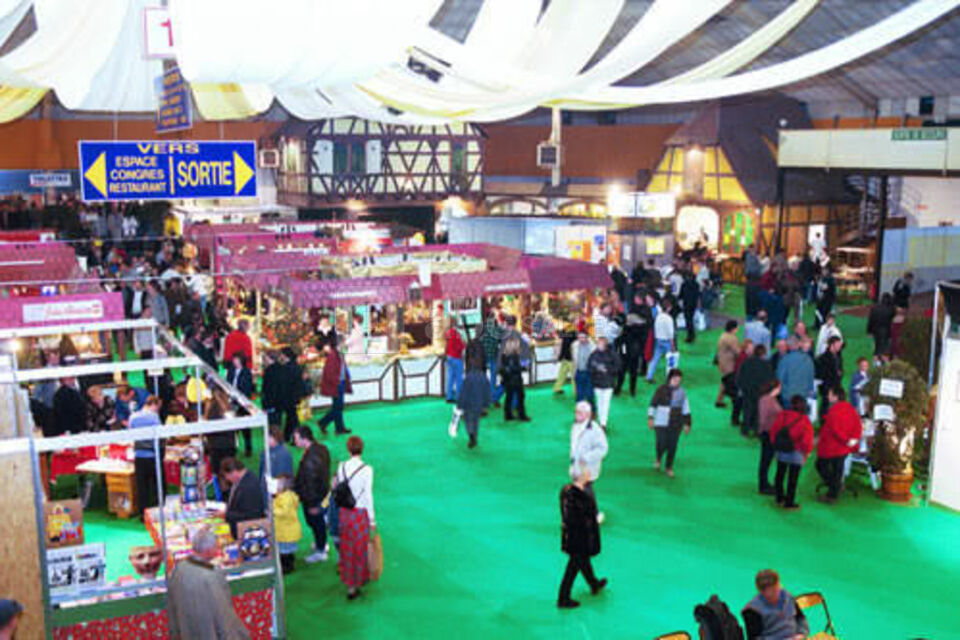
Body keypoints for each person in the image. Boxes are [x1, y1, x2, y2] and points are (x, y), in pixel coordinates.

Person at [166, 527, 250, 640]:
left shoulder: (179, 568)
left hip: (187, 629)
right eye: (216, 547)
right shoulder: (211, 575)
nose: (218, 550)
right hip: (208, 630)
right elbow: (223, 613)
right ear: (208, 551)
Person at [557, 467, 608, 609]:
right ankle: (563, 598)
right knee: (573, 567)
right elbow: (579, 520)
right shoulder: (578, 498)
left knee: (583, 562)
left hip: (574, 537)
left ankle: (594, 584)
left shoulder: (567, 493)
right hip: (579, 538)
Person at [335, 436, 375, 600]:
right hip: (360, 513)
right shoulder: (367, 469)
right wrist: (372, 519)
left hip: (345, 512)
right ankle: (359, 580)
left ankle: (349, 584)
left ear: (348, 449)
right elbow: (368, 495)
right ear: (362, 449)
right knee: (360, 548)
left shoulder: (341, 466)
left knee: (347, 548)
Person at [816, 387, 863, 504]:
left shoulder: (833, 411)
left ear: (836, 397)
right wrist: (852, 440)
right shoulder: (851, 409)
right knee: (838, 469)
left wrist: (846, 440)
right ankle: (835, 488)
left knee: (821, 465)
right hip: (845, 448)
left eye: (830, 394)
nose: (828, 396)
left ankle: (833, 492)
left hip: (832, 447)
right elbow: (858, 425)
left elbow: (835, 430)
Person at [293, 425, 332, 564]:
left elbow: (310, 484)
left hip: (314, 498)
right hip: (324, 494)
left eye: (296, 438)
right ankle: (321, 544)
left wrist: (311, 504)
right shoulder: (322, 448)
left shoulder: (309, 459)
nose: (294, 441)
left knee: (316, 523)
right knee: (319, 522)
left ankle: (321, 550)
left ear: (304, 439)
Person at [768, 395, 814, 510]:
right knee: (792, 479)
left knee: (779, 474)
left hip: (782, 451)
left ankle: (779, 497)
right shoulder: (805, 420)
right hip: (796, 453)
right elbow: (807, 441)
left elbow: (774, 431)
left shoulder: (783, 415)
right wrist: (806, 453)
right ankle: (789, 501)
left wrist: (776, 445)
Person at [742, 569, 810, 640]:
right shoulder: (752, 611)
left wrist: (801, 633)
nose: (770, 595)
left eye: (774, 591)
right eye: (765, 592)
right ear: (759, 590)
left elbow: (800, 618)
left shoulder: (787, 596)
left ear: (778, 584)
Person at [569, 401, 609, 521]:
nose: (577, 415)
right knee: (579, 489)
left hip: (588, 467)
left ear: (588, 414)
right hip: (577, 465)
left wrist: (587, 457)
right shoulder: (575, 426)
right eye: (576, 412)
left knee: (586, 490)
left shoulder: (595, 430)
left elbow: (603, 449)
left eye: (580, 413)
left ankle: (594, 513)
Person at [648, 368, 692, 477]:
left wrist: (687, 423)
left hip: (676, 423)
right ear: (669, 379)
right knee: (661, 443)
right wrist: (650, 418)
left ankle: (669, 467)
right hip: (661, 422)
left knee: (672, 445)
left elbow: (686, 409)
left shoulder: (682, 392)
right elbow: (653, 404)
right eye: (675, 379)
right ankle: (658, 458)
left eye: (679, 379)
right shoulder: (660, 390)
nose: (677, 381)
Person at [129, 395, 163, 516]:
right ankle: (156, 512)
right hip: (152, 455)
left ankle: (142, 513)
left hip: (138, 455)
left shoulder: (133, 417)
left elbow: (130, 434)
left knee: (141, 487)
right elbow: (160, 435)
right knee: (155, 485)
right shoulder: (154, 417)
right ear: (154, 404)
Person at [221, 457, 265, 538]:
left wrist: (226, 515)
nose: (227, 478)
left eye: (227, 475)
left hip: (245, 531)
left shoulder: (249, 487)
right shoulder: (242, 479)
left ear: (234, 472)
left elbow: (250, 515)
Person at [737, 344, 774, 437]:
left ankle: (745, 430)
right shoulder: (766, 365)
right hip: (760, 392)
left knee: (747, 411)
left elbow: (740, 376)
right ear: (763, 354)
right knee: (758, 412)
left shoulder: (746, 362)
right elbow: (770, 379)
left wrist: (742, 387)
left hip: (748, 391)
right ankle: (757, 430)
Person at [457, 353, 491, 448]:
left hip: (469, 404)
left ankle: (471, 435)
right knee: (476, 420)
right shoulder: (484, 377)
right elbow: (487, 391)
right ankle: (474, 435)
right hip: (479, 404)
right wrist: (486, 404)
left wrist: (460, 405)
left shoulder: (468, 378)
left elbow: (463, 392)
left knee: (468, 420)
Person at [205, 390, 237, 487]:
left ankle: (222, 494)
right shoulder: (229, 407)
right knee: (229, 472)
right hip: (229, 446)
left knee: (219, 474)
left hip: (216, 447)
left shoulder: (211, 408)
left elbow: (208, 428)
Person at [621, 295, 652, 396]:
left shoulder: (634, 319)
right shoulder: (645, 319)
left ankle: (621, 388)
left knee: (625, 369)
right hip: (634, 349)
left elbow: (624, 334)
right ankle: (631, 390)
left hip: (630, 349)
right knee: (631, 370)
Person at [587, 337, 620, 430]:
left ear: (605, 345)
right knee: (599, 403)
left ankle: (603, 423)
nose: (599, 345)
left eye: (601, 344)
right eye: (598, 343)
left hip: (608, 384)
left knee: (605, 404)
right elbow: (589, 367)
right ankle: (601, 422)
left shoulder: (612, 355)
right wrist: (596, 370)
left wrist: (608, 370)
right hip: (597, 383)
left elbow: (618, 366)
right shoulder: (593, 355)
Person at [757, 380, 782, 496]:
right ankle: (763, 485)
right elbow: (763, 418)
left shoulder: (770, 399)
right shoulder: (767, 400)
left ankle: (764, 483)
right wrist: (761, 431)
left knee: (767, 460)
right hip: (768, 433)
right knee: (766, 460)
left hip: (770, 433)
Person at [273, 475, 302, 574]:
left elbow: (284, 512)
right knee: (285, 549)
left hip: (286, 530)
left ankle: (288, 567)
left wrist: (273, 510)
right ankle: (288, 564)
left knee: (285, 551)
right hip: (285, 529)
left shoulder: (286, 497)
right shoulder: (282, 495)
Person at [776, 337, 814, 409]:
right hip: (803, 396)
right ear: (798, 345)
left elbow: (779, 379)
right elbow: (810, 378)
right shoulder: (807, 359)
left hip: (788, 397)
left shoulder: (784, 360)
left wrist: (783, 393)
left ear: (788, 346)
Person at [499, 335, 530, 422]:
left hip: (507, 380)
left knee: (509, 397)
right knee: (520, 397)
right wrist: (523, 368)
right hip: (515, 379)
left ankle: (508, 415)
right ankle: (522, 415)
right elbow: (514, 368)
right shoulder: (514, 355)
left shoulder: (504, 355)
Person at [646, 298, 675, 383]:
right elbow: (671, 333)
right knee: (670, 361)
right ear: (668, 308)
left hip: (658, 340)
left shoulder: (658, 316)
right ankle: (670, 377)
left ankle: (649, 376)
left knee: (655, 359)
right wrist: (672, 345)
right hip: (667, 341)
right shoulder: (669, 318)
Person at [815, 336, 844, 420]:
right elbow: (821, 373)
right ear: (832, 345)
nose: (839, 347)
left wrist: (840, 373)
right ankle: (824, 422)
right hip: (827, 385)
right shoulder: (823, 358)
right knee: (825, 405)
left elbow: (840, 368)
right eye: (837, 344)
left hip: (836, 384)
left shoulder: (838, 356)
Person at [480, 312, 505, 406]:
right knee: (493, 378)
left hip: (483, 356)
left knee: (483, 378)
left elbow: (478, 340)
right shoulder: (497, 329)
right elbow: (502, 340)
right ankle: (493, 397)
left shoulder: (482, 328)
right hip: (493, 355)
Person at [715, 320, 740, 410]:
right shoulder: (731, 338)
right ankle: (733, 399)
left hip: (722, 361)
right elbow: (737, 351)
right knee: (729, 381)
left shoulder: (723, 335)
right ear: (733, 328)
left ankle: (719, 400)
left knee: (724, 381)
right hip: (729, 363)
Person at [444, 318, 465, 403]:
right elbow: (461, 346)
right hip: (456, 357)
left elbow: (446, 345)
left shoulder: (447, 333)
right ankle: (459, 396)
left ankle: (449, 396)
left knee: (450, 377)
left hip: (449, 356)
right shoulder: (457, 334)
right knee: (459, 378)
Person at [552, 322, 577, 396]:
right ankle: (577, 391)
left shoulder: (563, 333)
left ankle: (557, 387)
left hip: (564, 357)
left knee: (562, 373)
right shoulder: (574, 334)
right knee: (574, 376)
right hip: (571, 358)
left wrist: (559, 356)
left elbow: (561, 345)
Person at [572, 331, 595, 404]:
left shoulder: (593, 347)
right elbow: (574, 359)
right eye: (579, 337)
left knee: (589, 395)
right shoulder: (574, 345)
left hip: (589, 373)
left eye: (583, 337)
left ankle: (592, 412)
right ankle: (579, 413)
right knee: (579, 396)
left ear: (587, 338)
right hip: (578, 372)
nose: (581, 339)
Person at [679, 272, 700, 343]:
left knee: (688, 320)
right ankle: (692, 334)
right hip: (693, 304)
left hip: (686, 303)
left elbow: (681, 295)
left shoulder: (684, 284)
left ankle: (690, 335)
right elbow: (698, 294)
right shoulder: (696, 284)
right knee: (691, 319)